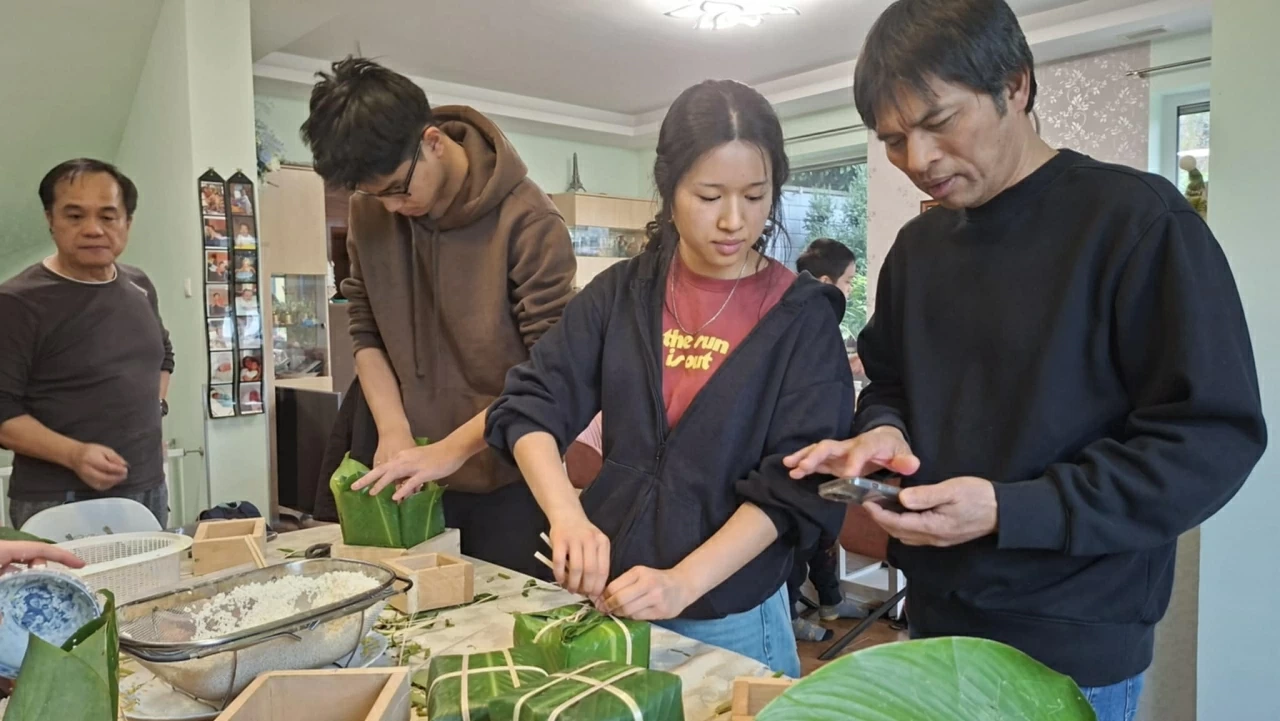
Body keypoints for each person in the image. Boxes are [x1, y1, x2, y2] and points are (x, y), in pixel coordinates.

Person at [783, 1, 1266, 717]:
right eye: (893, 140)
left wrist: (1012, 510)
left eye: (939, 122)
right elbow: (891, 382)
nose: (918, 159)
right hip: (935, 619)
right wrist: (884, 431)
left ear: (1016, 85)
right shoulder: (919, 250)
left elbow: (1211, 439)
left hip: (1072, 643)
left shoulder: (1135, 221)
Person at [367, 80, 852, 675]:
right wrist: (567, 517)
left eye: (755, 196)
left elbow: (799, 487)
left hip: (730, 618)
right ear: (669, 189)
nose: (734, 220)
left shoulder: (801, 319)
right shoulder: (622, 294)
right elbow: (530, 405)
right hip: (610, 605)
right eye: (709, 196)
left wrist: (682, 582)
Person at [300, 57, 577, 578]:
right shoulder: (370, 208)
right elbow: (366, 329)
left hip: (503, 474)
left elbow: (551, 373)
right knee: (391, 608)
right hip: (402, 465)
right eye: (373, 195)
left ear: (432, 142)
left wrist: (450, 451)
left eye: (398, 189)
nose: (390, 208)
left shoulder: (529, 222)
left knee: (500, 613)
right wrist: (393, 431)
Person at [0, 159, 176, 529]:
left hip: (148, 486)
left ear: (127, 223)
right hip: (58, 499)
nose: (93, 229)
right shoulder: (18, 302)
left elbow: (164, 357)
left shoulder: (139, 285)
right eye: (75, 216)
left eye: (108, 217)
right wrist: (75, 454)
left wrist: (154, 411)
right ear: (50, 219)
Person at [785, 238, 868, 642]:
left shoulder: (821, 325)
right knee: (798, 534)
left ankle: (830, 599)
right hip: (805, 450)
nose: (850, 290)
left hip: (830, 446)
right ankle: (787, 614)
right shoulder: (802, 325)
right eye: (848, 281)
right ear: (824, 282)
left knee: (824, 531)